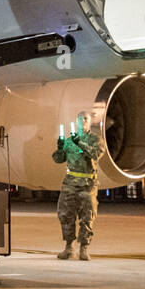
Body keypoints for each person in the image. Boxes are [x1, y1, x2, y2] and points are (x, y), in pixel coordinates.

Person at [52, 110, 104, 261]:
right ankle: (68, 247)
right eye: (80, 119)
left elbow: (95, 154)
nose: (82, 122)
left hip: (87, 184)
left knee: (87, 217)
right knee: (65, 214)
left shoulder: (95, 139)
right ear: (76, 122)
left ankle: (84, 248)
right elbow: (58, 159)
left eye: (85, 119)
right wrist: (60, 148)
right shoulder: (69, 141)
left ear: (90, 122)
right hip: (70, 183)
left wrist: (79, 143)